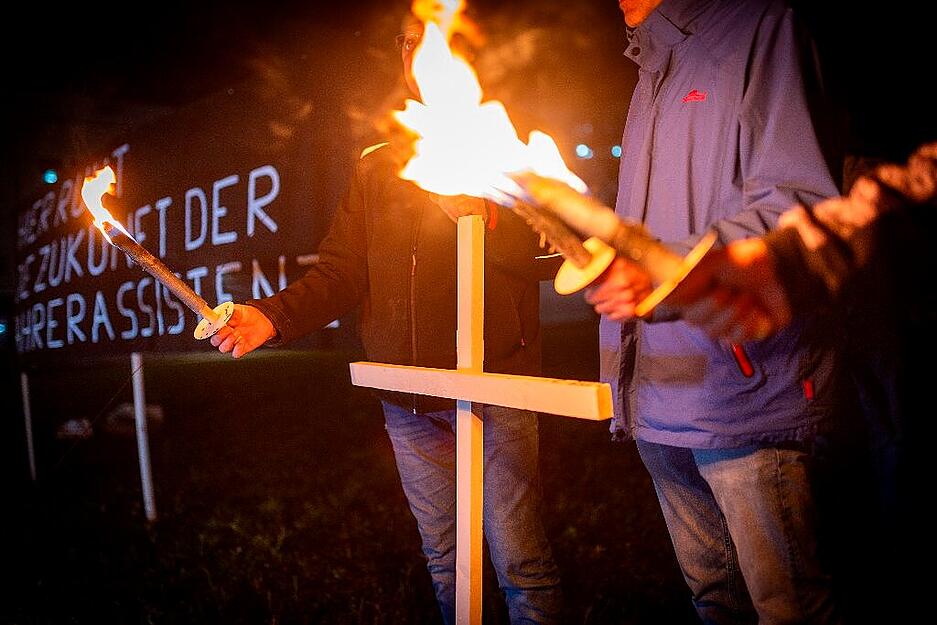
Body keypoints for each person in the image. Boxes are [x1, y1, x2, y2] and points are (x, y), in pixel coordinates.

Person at [210, 16, 564, 625]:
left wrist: (485, 216)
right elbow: (343, 271)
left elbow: (550, 255)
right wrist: (269, 317)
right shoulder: (377, 165)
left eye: (435, 38)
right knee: (446, 557)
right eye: (408, 41)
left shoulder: (511, 146)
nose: (418, 51)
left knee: (522, 565)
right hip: (409, 397)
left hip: (496, 388)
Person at [588, 1, 849, 622]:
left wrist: (661, 270)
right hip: (658, 394)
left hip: (743, 393)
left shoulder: (761, 30)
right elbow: (651, 231)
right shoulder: (651, 64)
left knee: (790, 609)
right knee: (714, 602)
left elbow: (797, 208)